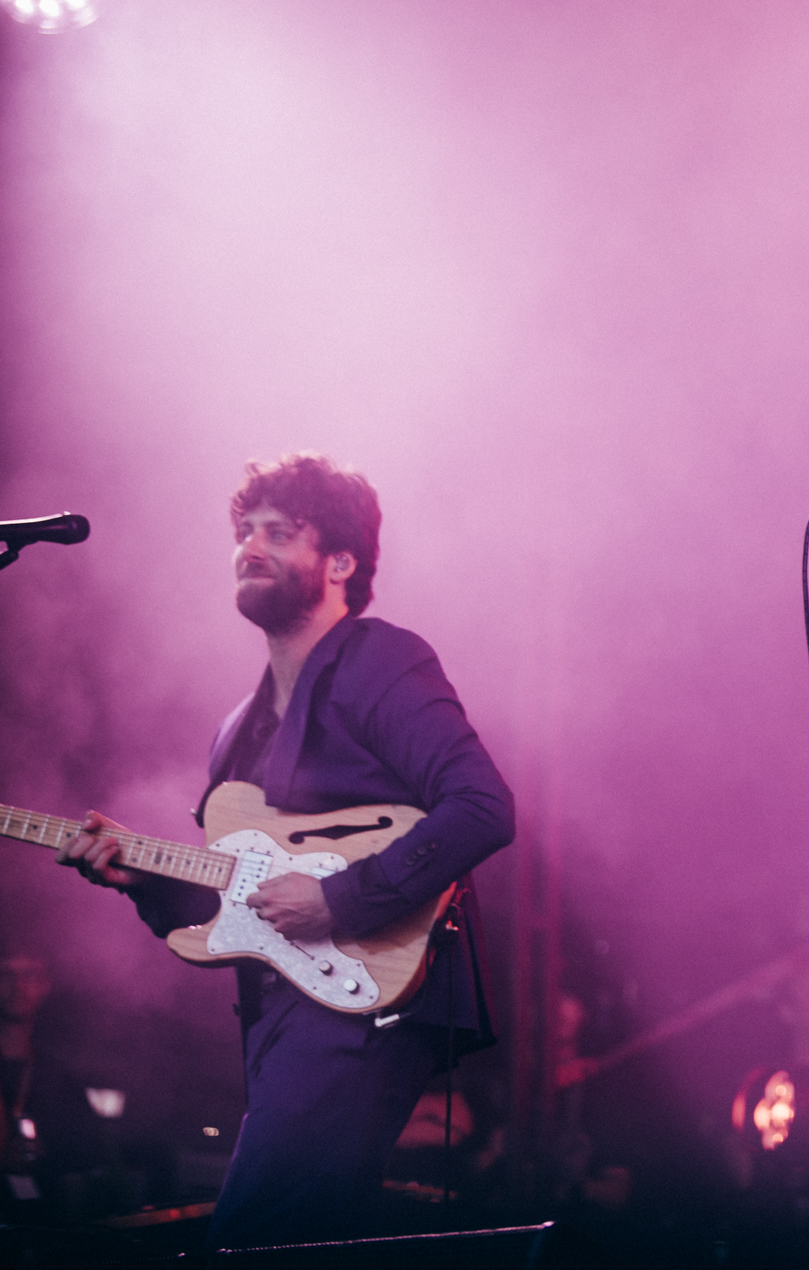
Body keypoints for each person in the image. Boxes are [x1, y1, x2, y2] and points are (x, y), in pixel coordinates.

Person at [56, 453, 515, 1245]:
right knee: (298, 1239)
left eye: (280, 532)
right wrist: (139, 879)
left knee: (257, 1231)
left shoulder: (381, 660)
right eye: (244, 531)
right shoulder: (234, 731)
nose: (250, 545)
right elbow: (238, 902)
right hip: (281, 1016)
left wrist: (338, 899)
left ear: (340, 562)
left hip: (368, 995)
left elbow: (482, 807)